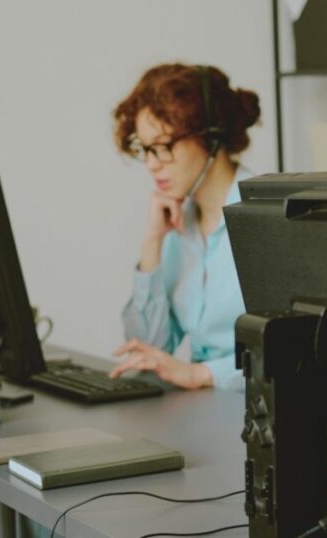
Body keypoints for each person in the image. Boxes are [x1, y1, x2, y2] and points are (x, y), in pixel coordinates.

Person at [108, 63, 260, 391]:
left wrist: (203, 374)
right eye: (146, 150)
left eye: (163, 146)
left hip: (265, 419)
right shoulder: (179, 226)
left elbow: (293, 352)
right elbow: (148, 348)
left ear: (210, 137)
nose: (151, 164)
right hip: (205, 410)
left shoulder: (267, 220)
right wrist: (152, 242)